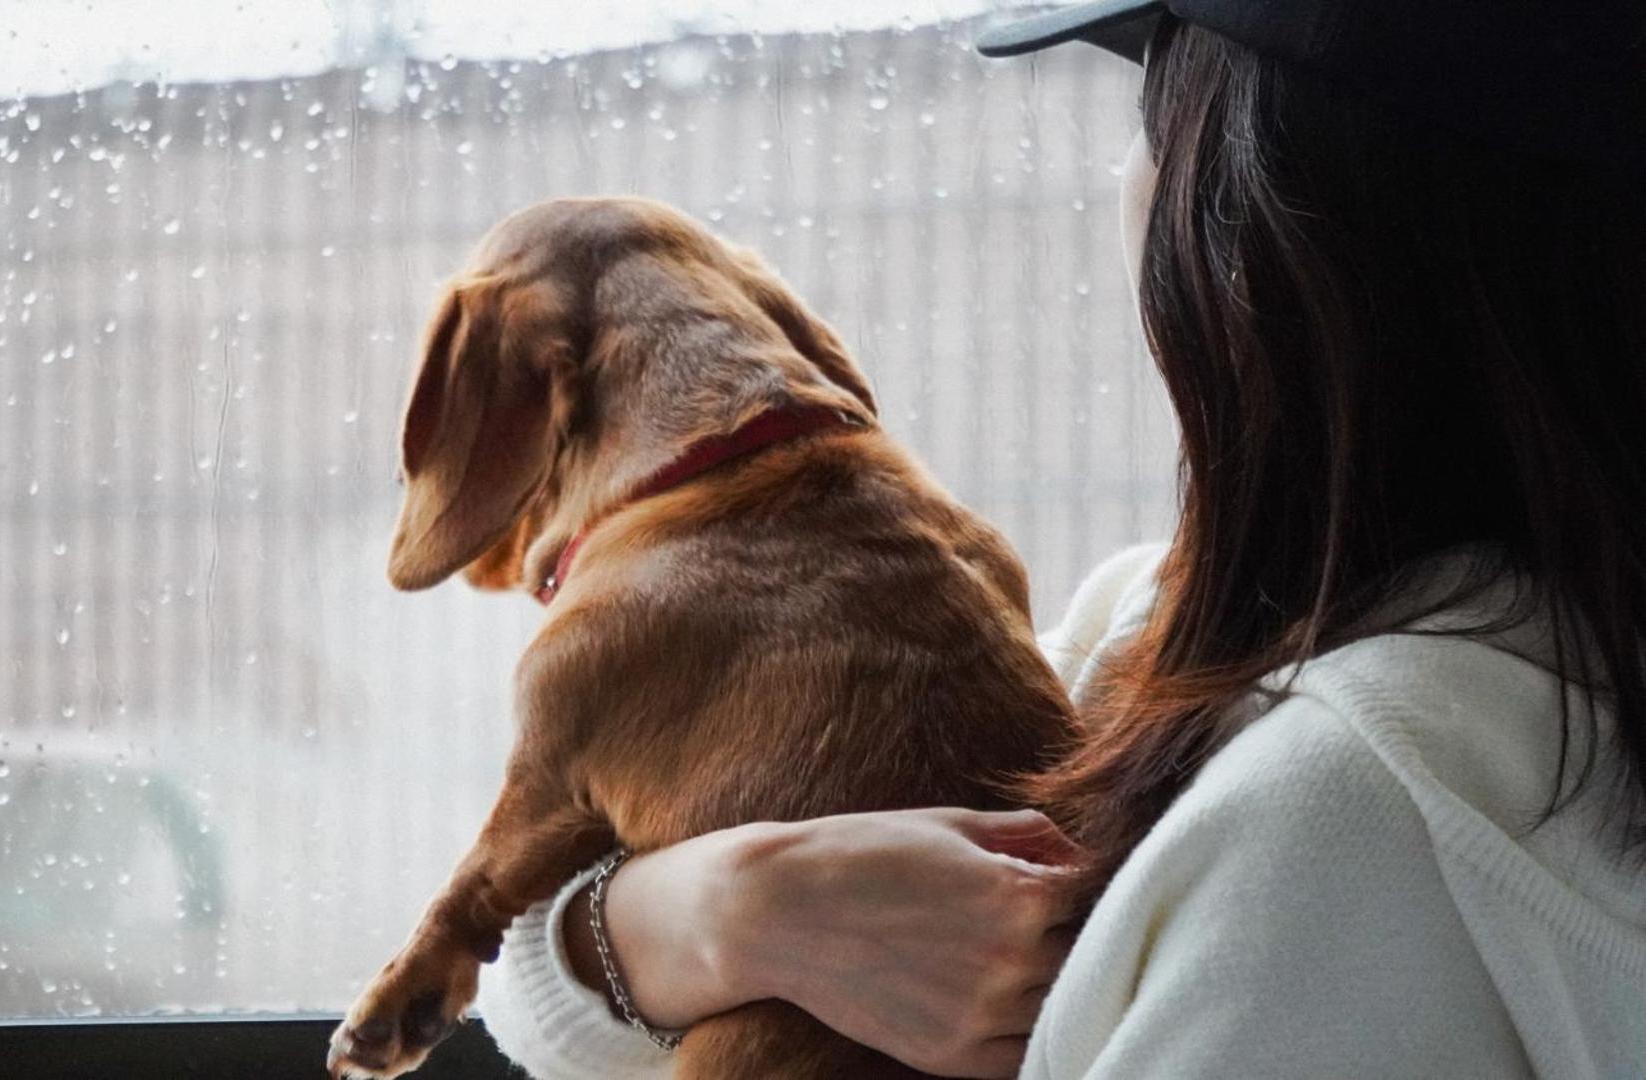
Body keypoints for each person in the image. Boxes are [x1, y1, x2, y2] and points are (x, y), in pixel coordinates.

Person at [473, 2, 1646, 1076]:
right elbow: (529, 980)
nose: (1123, 177)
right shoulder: (1156, 625)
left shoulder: (1333, 819)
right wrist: (728, 915)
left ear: (1285, 227)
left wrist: (724, 928)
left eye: (1154, 115)